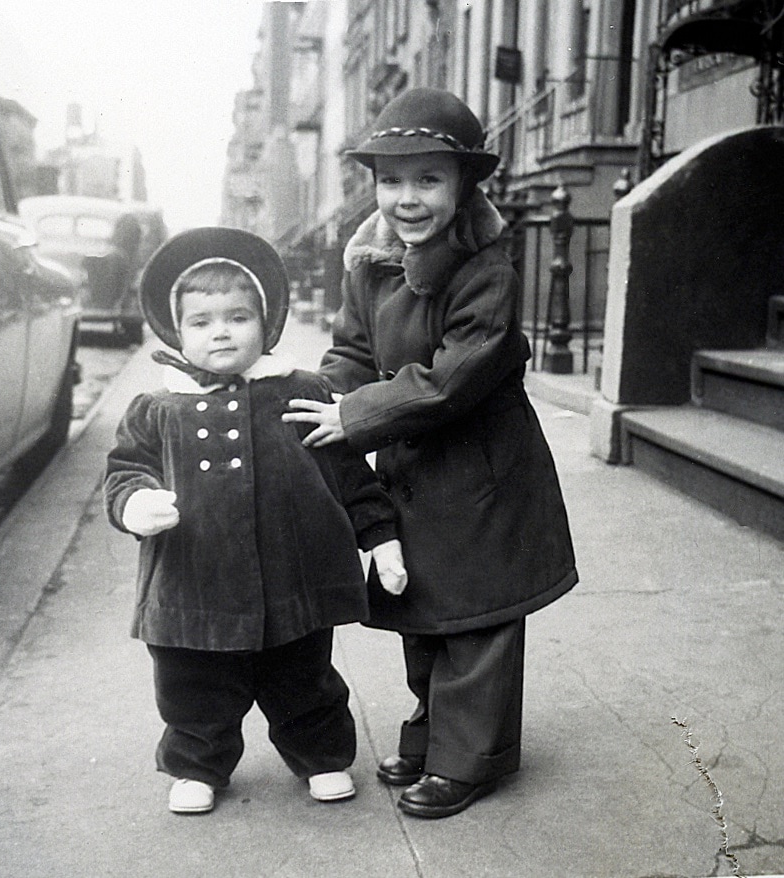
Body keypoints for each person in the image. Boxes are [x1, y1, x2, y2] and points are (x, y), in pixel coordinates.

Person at [283, 88, 578, 819]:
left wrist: (354, 415)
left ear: (463, 185)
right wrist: (320, 397)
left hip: (482, 469)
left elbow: (452, 378)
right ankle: (432, 731)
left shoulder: (485, 269)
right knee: (423, 608)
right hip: (413, 467)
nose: (405, 199)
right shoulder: (372, 263)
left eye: (427, 180)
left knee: (477, 614)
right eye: (390, 180)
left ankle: (469, 759)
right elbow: (352, 349)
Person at [103, 227, 407, 815]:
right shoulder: (157, 408)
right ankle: (196, 766)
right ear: (175, 331)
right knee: (194, 686)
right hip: (192, 581)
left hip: (293, 577)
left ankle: (321, 756)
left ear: (266, 325)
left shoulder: (298, 391)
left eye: (238, 317)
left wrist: (382, 538)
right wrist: (135, 502)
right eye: (202, 321)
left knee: (304, 677)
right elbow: (124, 469)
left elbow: (348, 474)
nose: (221, 330)